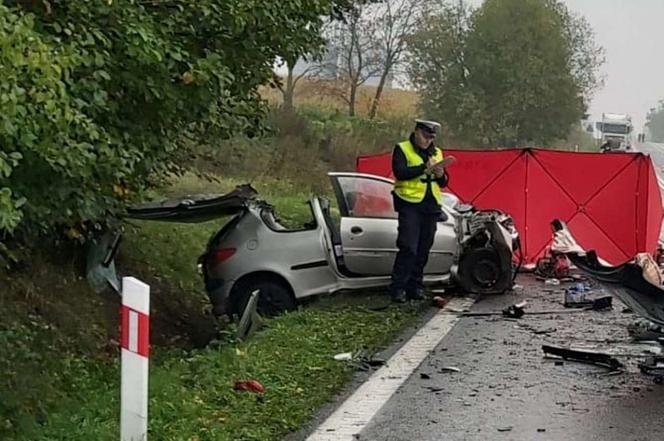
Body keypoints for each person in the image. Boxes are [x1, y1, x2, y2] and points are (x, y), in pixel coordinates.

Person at [388, 119, 450, 303]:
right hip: (410, 204)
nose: (427, 141)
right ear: (416, 131)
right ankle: (398, 288)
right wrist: (424, 167)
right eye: (425, 136)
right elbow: (400, 172)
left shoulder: (437, 152)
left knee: (424, 249)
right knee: (408, 247)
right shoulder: (402, 148)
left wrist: (441, 175)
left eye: (431, 137)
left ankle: (415, 286)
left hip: (431, 206)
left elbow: (444, 182)